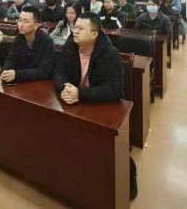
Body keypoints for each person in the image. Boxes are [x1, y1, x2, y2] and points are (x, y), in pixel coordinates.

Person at [52, 11, 138, 201]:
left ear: (94, 33)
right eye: (75, 27)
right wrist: (65, 87)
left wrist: (80, 93)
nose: (75, 31)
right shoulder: (71, 45)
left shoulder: (109, 53)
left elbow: (115, 90)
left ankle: (126, 179)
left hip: (100, 105)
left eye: (80, 28)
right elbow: (58, 72)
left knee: (104, 148)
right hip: (74, 101)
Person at [1, 6, 56, 83]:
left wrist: (17, 75)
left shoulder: (47, 41)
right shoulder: (19, 38)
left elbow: (45, 71)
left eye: (25, 21)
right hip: (22, 81)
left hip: (39, 83)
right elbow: (11, 58)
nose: (20, 25)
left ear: (36, 25)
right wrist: (5, 71)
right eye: (20, 20)